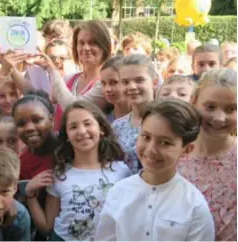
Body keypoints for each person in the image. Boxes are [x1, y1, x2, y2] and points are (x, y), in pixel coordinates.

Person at [95, 99, 215, 240]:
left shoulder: (194, 205)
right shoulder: (119, 192)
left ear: (186, 150)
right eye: (146, 137)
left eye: (165, 143)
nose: (151, 149)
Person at [25, 100, 130, 240]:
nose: (81, 131)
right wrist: (30, 194)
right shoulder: (59, 174)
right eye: (73, 127)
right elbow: (46, 227)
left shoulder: (122, 172)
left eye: (87, 124)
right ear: (67, 136)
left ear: (101, 128)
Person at [177, 69, 237, 241]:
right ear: (194, 102)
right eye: (210, 107)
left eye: (231, 109)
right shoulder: (176, 154)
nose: (219, 118)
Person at [51, 20, 111, 129]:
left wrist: (51, 69)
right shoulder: (68, 78)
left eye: (92, 43)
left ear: (104, 46)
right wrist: (13, 70)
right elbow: (43, 98)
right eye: (81, 43)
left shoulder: (105, 84)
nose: (86, 48)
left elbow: (74, 108)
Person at [112, 54, 157, 174]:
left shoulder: (167, 122)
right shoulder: (116, 127)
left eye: (139, 80)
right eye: (125, 82)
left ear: (154, 82)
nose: (132, 87)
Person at [12, 91, 59, 180]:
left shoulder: (70, 149)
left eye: (36, 120)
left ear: (51, 120)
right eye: (21, 124)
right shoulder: (23, 163)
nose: (29, 128)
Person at [99, 56, 130, 122]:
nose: (107, 89)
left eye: (113, 82)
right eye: (103, 83)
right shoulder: (103, 120)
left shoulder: (144, 118)